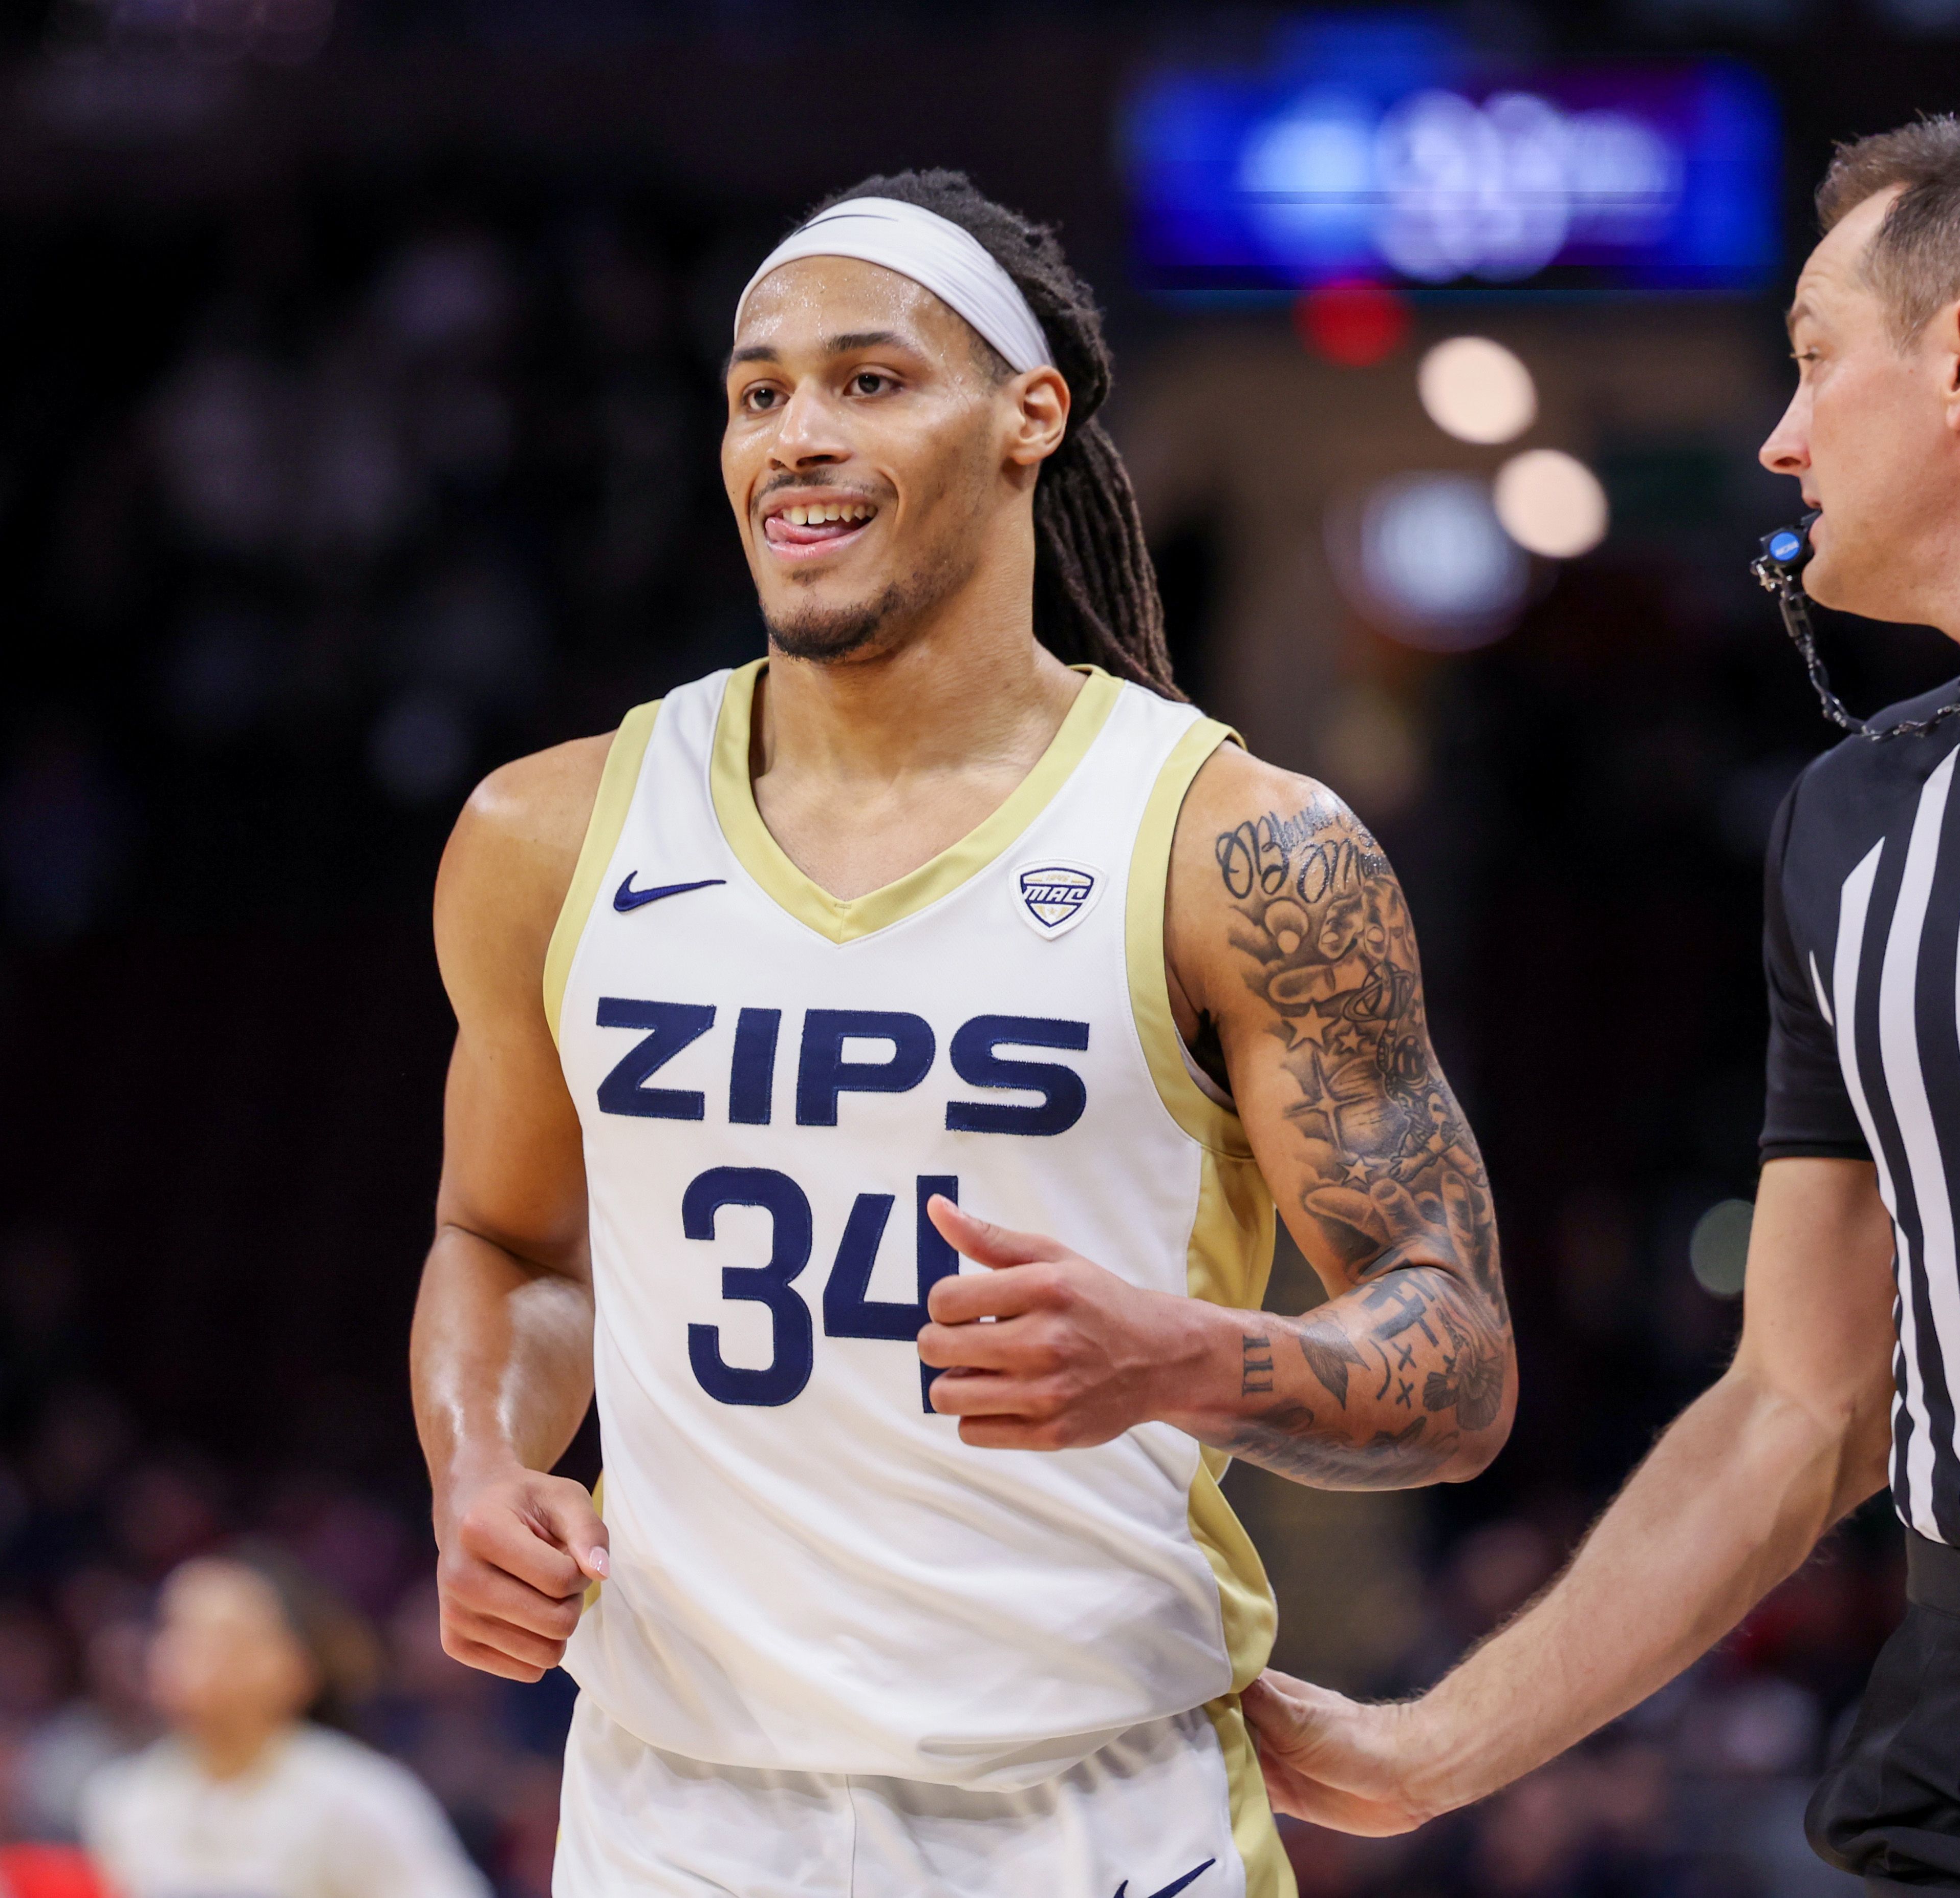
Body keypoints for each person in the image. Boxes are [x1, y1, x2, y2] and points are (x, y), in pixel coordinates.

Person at [412, 170, 1516, 1897]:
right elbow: (508, 1244)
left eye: (869, 380)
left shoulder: (1242, 848)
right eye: (758, 390)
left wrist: (1179, 1355)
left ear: (1029, 415)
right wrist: (481, 1458)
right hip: (674, 1813)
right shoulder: (544, 838)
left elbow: (1456, 1357)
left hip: (1097, 1811)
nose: (794, 433)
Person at [1244, 112, 1960, 1895]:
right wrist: (1430, 1750)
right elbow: (1794, 1412)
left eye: (1817, 359)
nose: (1779, 434)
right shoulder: (1849, 818)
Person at [79, 1554, 484, 1898]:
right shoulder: (124, 1799)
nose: (188, 1653)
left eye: (223, 1637)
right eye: (176, 1629)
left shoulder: (358, 1795)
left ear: (294, 1667)